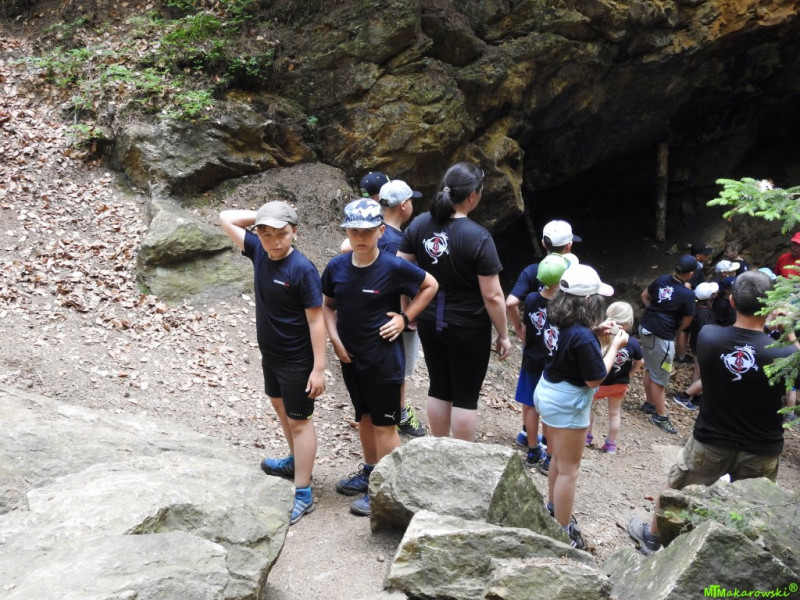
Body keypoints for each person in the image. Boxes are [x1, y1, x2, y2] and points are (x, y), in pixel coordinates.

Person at [628, 270, 798, 555]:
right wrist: (788, 331)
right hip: (761, 445)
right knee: (753, 506)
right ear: (769, 306)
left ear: (731, 301)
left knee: (678, 485)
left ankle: (653, 536)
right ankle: (743, 555)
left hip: (711, 438)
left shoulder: (709, 336)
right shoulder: (784, 354)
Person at [322, 199, 437, 517]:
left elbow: (430, 285)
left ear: (381, 231)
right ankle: (372, 471)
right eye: (354, 231)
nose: (360, 237)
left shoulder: (393, 266)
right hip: (351, 358)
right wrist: (335, 340)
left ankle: (388, 490)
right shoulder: (336, 267)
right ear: (346, 231)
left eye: (368, 231)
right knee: (364, 417)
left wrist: (405, 318)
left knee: (385, 425)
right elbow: (328, 306)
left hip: (384, 360)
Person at [219, 201, 326, 525]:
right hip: (272, 355)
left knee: (300, 421)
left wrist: (318, 368)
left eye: (282, 234)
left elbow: (316, 320)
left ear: (294, 232)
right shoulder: (258, 251)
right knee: (281, 408)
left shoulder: (302, 269)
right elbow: (226, 218)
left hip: (297, 360)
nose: (274, 241)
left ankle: (303, 492)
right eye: (266, 234)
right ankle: (295, 461)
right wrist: (265, 217)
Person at [398, 162, 511, 441]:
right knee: (465, 396)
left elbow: (400, 271)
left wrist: (407, 309)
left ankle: (439, 449)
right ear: (473, 195)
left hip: (429, 320)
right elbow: (493, 295)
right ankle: (460, 457)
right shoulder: (478, 237)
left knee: (439, 387)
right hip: (468, 326)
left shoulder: (420, 224)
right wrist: (503, 334)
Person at [534, 264, 627, 548]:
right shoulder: (583, 337)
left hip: (547, 390)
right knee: (569, 470)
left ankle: (553, 509)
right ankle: (563, 532)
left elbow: (569, 340)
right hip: (568, 402)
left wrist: (596, 331)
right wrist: (614, 347)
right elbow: (595, 378)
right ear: (587, 300)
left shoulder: (554, 316)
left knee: (558, 459)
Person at [342, 179, 426, 436]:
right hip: (393, 320)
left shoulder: (371, 237)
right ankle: (398, 414)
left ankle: (382, 413)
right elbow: (411, 285)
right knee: (396, 371)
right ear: (404, 205)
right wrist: (406, 316)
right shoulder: (394, 241)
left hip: (369, 318)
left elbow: (344, 248)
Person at [506, 220, 581, 449]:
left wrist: (519, 328)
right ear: (569, 246)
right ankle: (549, 446)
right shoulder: (573, 277)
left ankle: (528, 439)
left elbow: (511, 302)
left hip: (533, 348)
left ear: (543, 243)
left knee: (530, 399)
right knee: (550, 399)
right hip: (557, 352)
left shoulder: (532, 272)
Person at [514, 253, 570, 468]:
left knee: (530, 404)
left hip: (531, 358)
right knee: (550, 407)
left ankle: (532, 450)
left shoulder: (530, 299)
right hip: (553, 363)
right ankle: (549, 457)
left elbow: (526, 329)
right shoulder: (566, 305)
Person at [639, 255, 696, 434]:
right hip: (662, 336)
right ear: (691, 273)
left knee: (650, 367)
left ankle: (650, 403)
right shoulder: (688, 294)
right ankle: (661, 416)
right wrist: (675, 328)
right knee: (660, 377)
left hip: (645, 328)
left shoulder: (662, 279)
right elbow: (687, 321)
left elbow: (645, 296)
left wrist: (653, 312)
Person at [586, 301, 643, 454]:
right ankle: (611, 444)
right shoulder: (632, 343)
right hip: (620, 384)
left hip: (600, 383)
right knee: (614, 413)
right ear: (629, 322)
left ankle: (587, 437)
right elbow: (640, 362)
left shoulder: (601, 338)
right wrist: (629, 373)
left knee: (588, 408)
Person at [673, 281, 719, 411]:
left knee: (699, 371)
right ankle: (685, 395)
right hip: (703, 346)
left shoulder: (697, 308)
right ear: (709, 296)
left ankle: (696, 398)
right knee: (706, 374)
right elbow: (706, 331)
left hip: (697, 344)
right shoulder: (703, 313)